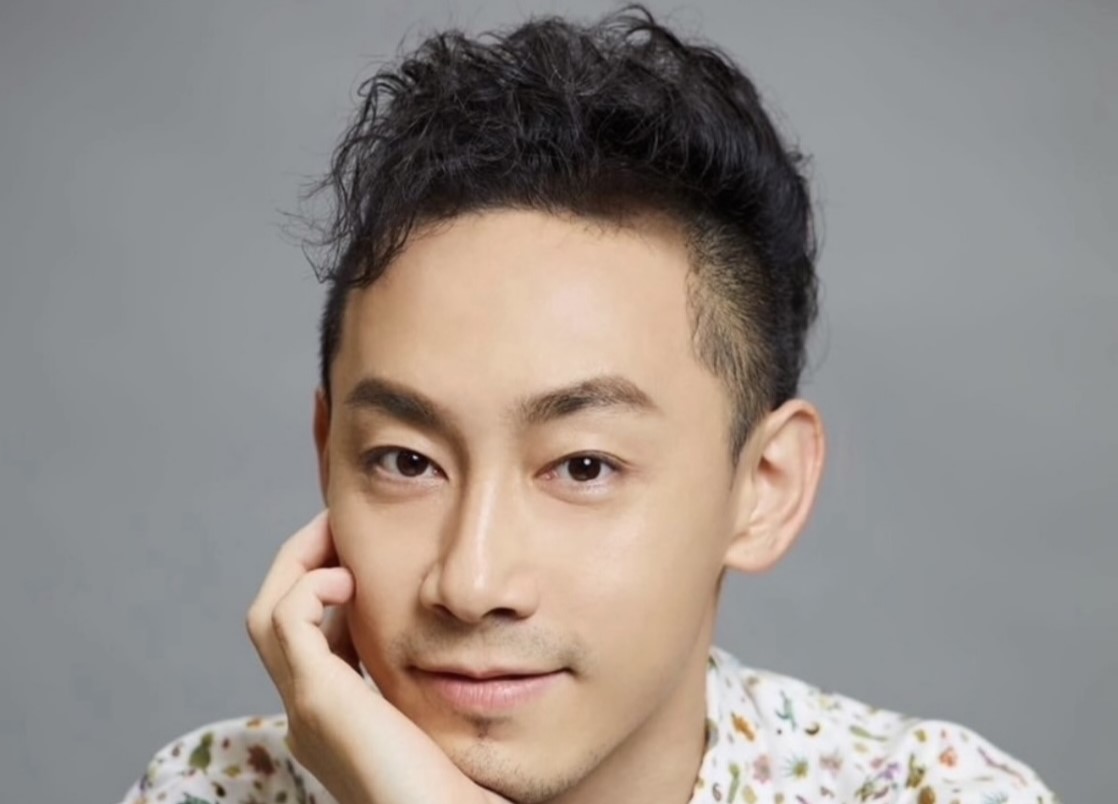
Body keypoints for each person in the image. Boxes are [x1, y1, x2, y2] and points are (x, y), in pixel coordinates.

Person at [117, 6, 1057, 804]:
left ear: (763, 487)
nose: (471, 582)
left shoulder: (934, 793)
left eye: (583, 466)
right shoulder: (216, 790)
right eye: (406, 461)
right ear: (328, 453)